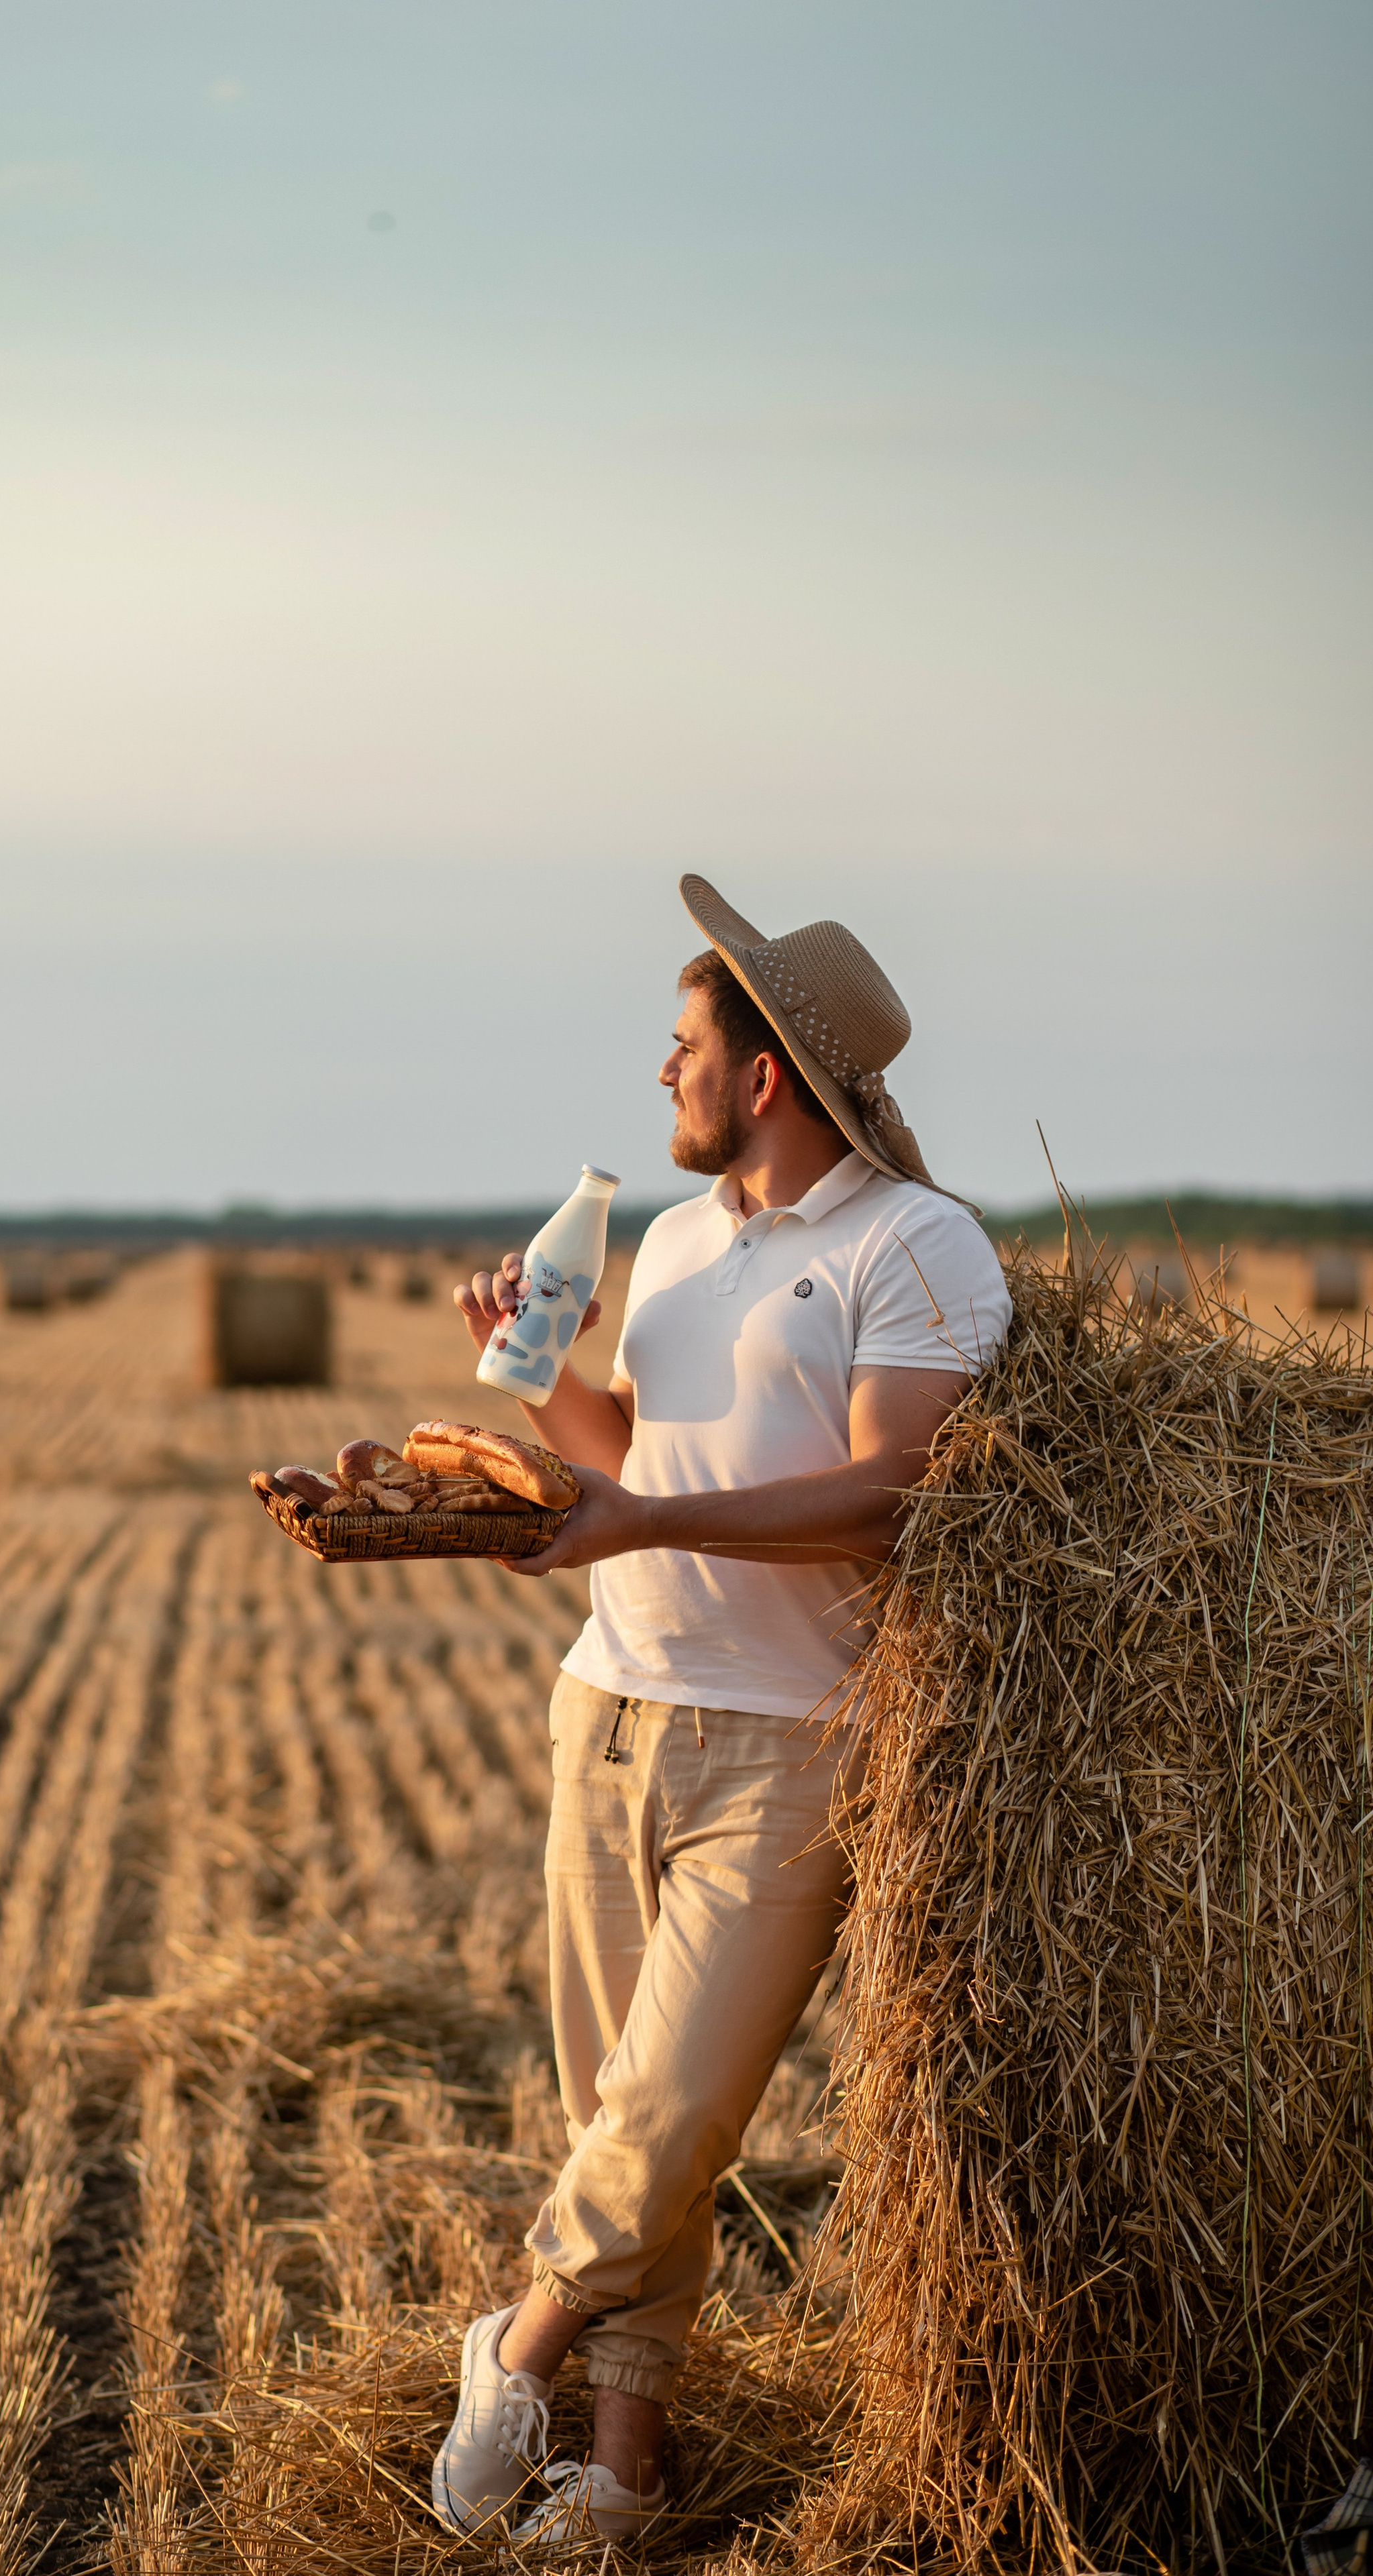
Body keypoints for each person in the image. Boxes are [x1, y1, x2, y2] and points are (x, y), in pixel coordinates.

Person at [429, 875, 1012, 2548]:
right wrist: (543, 1383)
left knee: (677, 2111)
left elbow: (891, 1495)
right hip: (608, 1706)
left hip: (785, 1738)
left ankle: (515, 2348)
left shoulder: (915, 1244)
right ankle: (621, 2475)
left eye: (680, 1046)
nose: (660, 1073)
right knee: (618, 2116)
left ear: (761, 1075)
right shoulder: (677, 1245)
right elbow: (637, 1459)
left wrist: (641, 1525)